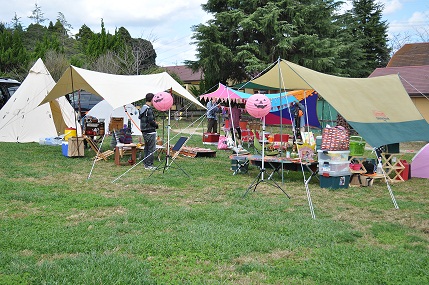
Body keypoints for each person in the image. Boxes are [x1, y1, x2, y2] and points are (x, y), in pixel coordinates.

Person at [139, 93, 159, 170]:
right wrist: (156, 125)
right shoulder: (148, 109)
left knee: (147, 148)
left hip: (144, 131)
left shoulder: (142, 108)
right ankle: (149, 165)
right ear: (151, 99)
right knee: (151, 149)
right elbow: (151, 121)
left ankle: (145, 163)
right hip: (150, 131)